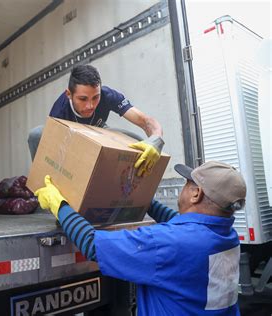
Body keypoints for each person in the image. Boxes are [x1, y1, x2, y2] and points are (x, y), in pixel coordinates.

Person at [35, 161, 246, 315]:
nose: (183, 188)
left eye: (186, 183)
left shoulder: (167, 243)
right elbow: (182, 224)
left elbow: (92, 244)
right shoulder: (227, 236)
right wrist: (143, 196)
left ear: (195, 194)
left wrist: (59, 205)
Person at [28, 64, 164, 176]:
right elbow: (53, 154)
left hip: (99, 132)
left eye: (95, 98)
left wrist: (156, 140)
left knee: (136, 140)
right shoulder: (59, 112)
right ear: (69, 94)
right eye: (83, 99)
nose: (90, 106)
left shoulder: (108, 95)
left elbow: (145, 121)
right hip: (71, 142)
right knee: (37, 134)